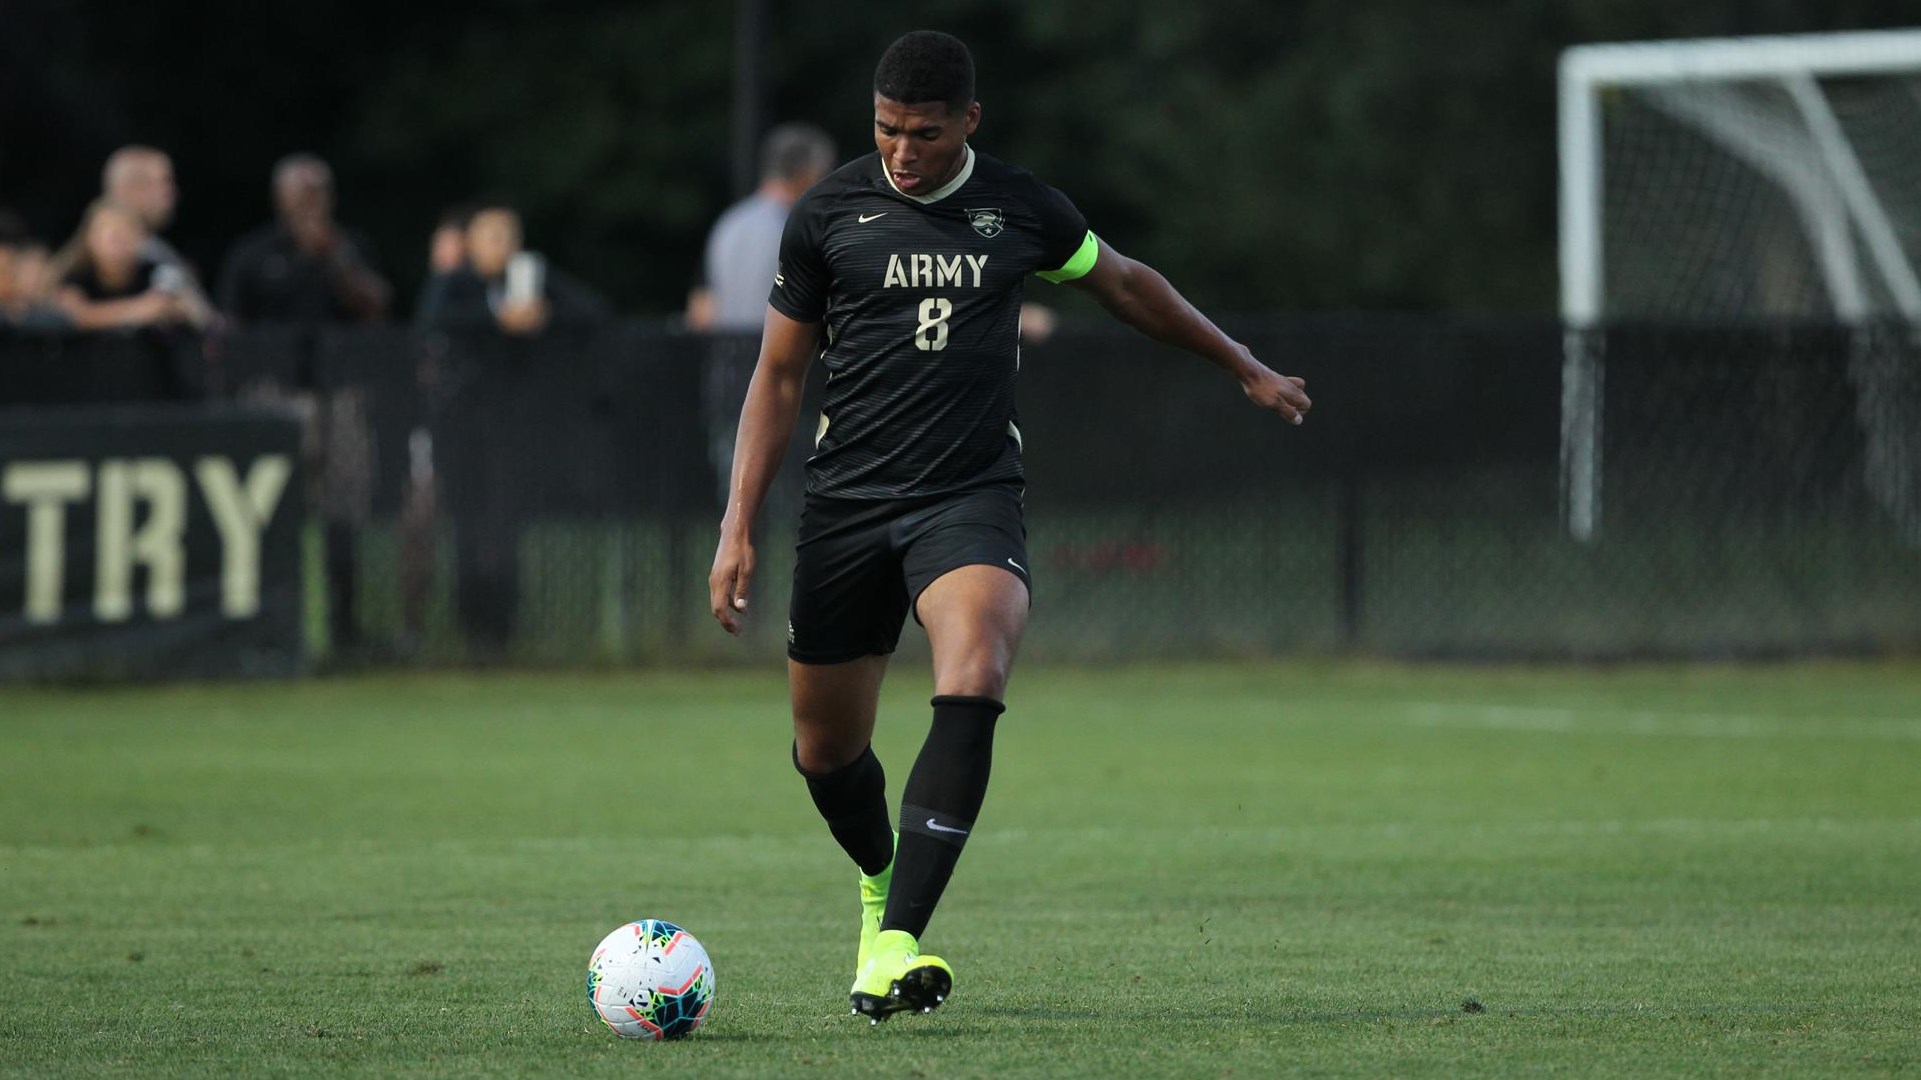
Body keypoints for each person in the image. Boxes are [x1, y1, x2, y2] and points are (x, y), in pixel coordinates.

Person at [706, 31, 1312, 1023]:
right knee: (824, 754)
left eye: (926, 133)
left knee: (978, 663)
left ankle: (894, 943)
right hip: (847, 503)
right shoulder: (827, 214)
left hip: (968, 494)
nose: (903, 151)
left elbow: (1124, 284)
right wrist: (737, 526)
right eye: (887, 129)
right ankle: (879, 889)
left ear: (970, 124)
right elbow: (777, 377)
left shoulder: (1021, 209)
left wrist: (1240, 360)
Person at [688, 124, 837, 508]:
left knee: (738, 498)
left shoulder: (728, 224)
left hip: (724, 376)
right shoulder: (797, 227)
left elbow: (702, 309)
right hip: (780, 378)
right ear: (806, 173)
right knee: (792, 500)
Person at [216, 153, 392, 325]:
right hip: (269, 352)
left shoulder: (353, 245)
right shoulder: (252, 252)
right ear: (281, 197)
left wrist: (336, 257)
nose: (314, 200)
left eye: (321, 190)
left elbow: (377, 307)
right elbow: (232, 321)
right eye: (305, 192)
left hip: (341, 351)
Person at [100, 146, 214, 324]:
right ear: (132, 188)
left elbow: (203, 321)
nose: (172, 193)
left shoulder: (156, 250)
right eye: (164, 182)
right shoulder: (89, 257)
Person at [51, 199, 203, 332]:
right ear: (89, 239)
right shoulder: (74, 275)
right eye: (110, 234)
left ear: (141, 236)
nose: (118, 241)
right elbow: (77, 316)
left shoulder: (157, 270)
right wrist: (140, 309)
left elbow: (188, 311)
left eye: (126, 231)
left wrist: (170, 309)